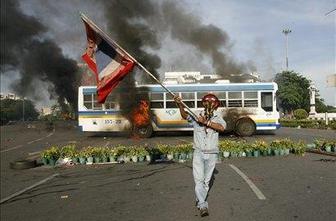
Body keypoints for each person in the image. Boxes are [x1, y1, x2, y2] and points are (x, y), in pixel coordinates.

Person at [174, 94, 226, 217]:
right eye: (207, 102)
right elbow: (185, 115)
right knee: (199, 181)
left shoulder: (218, 117)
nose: (210, 105)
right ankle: (203, 205)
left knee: (206, 182)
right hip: (198, 152)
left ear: (216, 105)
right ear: (203, 103)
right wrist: (180, 104)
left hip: (212, 153)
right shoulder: (197, 114)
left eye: (212, 103)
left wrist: (207, 122)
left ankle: (199, 199)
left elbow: (222, 128)